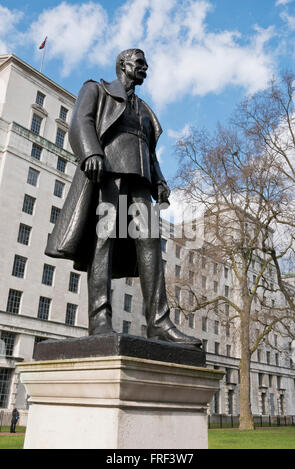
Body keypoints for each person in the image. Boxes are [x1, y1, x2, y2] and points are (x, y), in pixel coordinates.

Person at [45, 49, 202, 348]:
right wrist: (91, 151)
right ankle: (100, 319)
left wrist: (160, 180)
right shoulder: (97, 89)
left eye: (145, 63)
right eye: (140, 63)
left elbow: (148, 150)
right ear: (123, 65)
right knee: (103, 242)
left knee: (151, 244)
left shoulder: (144, 110)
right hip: (109, 174)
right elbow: (81, 121)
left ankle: (159, 323)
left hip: (140, 182)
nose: (146, 67)